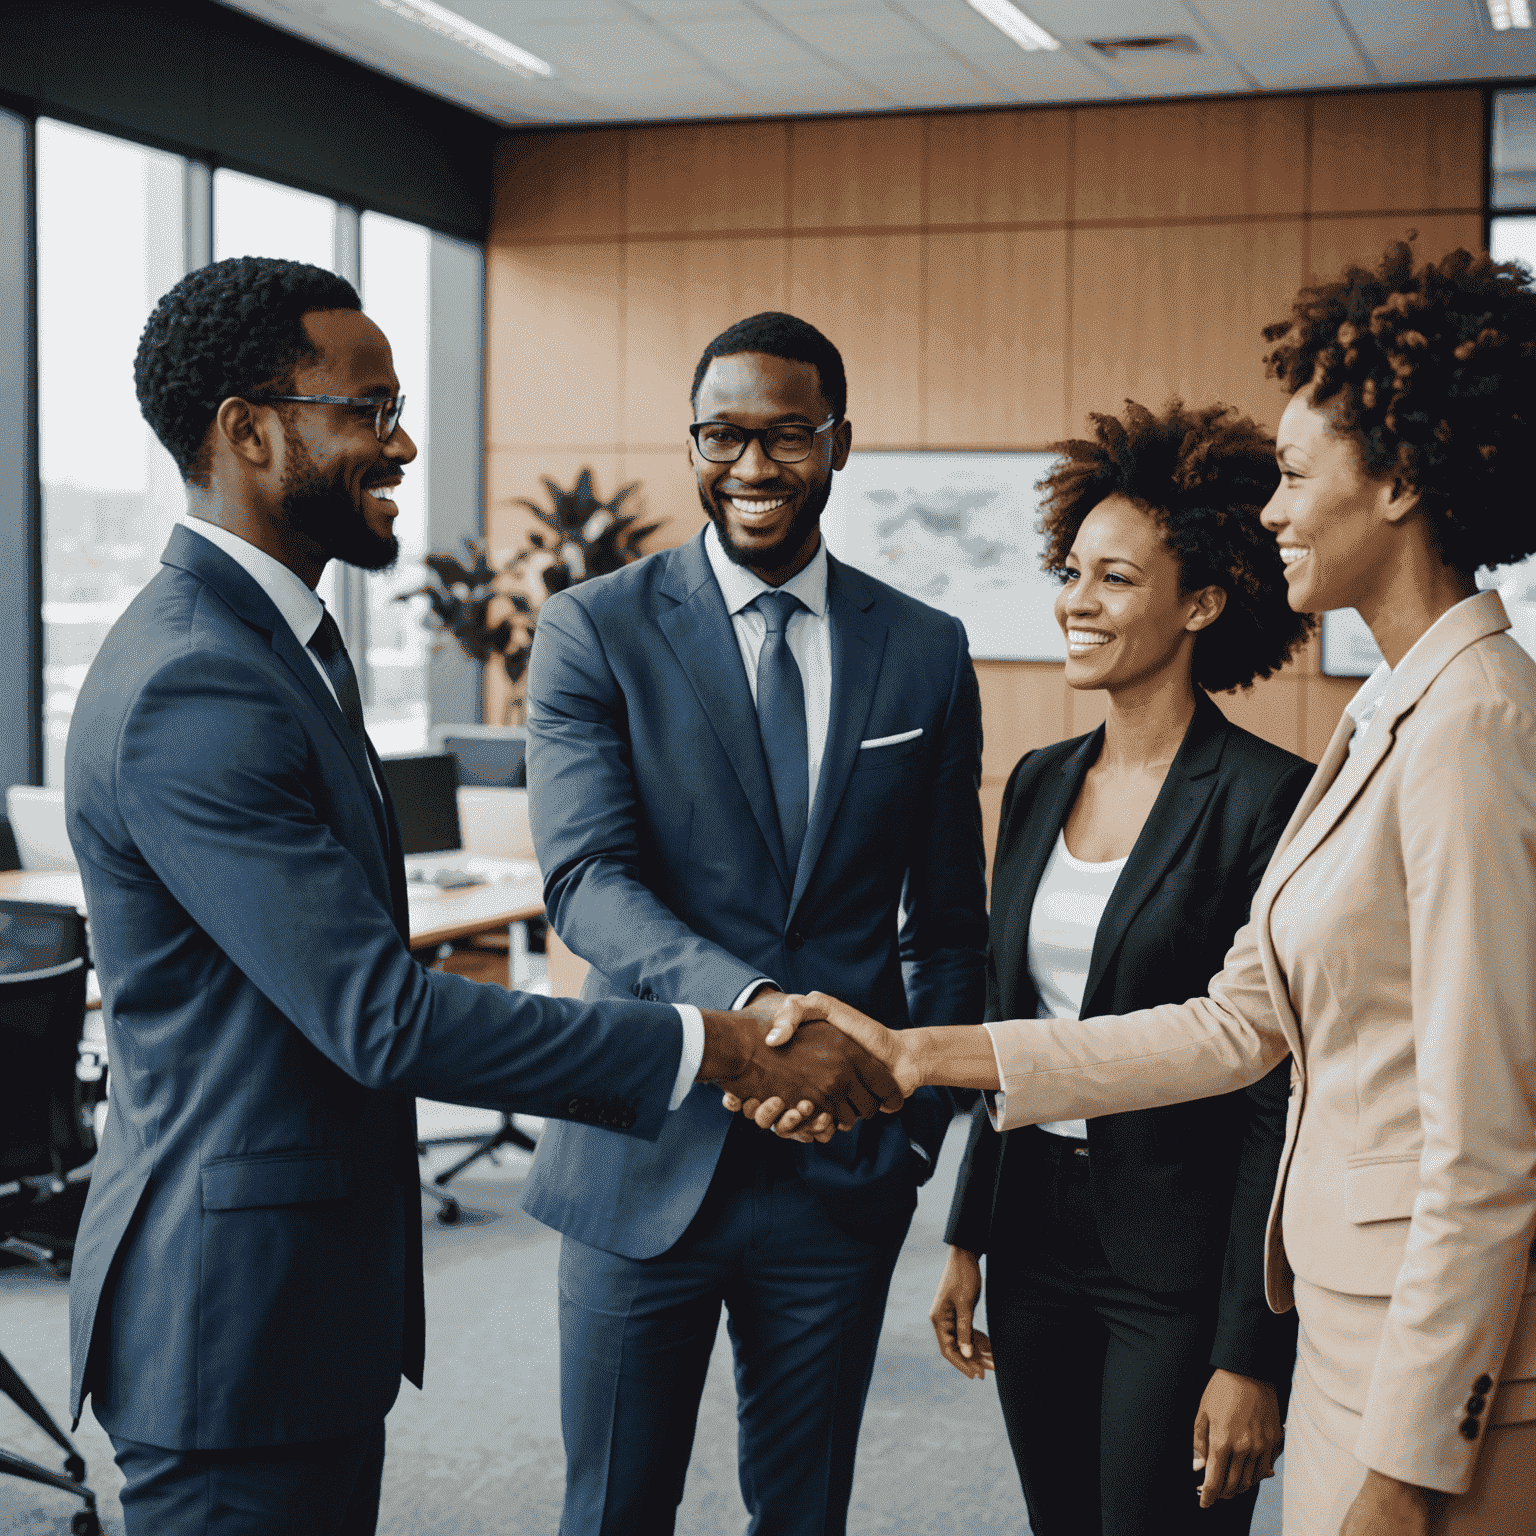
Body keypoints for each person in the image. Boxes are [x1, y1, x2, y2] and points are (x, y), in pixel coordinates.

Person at [64, 260, 898, 1536]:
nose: (401, 442)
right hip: (228, 1325)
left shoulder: (273, 648)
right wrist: (721, 1046)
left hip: (297, 1318)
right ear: (247, 428)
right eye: (368, 408)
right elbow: (384, 1019)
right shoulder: (198, 680)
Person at [747, 245, 1536, 1536]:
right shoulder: (1394, 712)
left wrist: (1405, 1462)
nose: (1275, 509)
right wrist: (918, 1056)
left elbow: (1487, 1145)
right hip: (1333, 1312)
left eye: (1293, 474)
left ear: (1397, 480)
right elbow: (1236, 1024)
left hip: (1401, 1362)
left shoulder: (1476, 727)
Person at [520, 311, 988, 1534]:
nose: (755, 466)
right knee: (614, 1507)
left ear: (841, 443)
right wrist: (758, 1010)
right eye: (724, 434)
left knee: (803, 1512)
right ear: (692, 442)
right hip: (642, 1148)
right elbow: (587, 881)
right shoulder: (594, 631)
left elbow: (948, 924)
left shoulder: (926, 653)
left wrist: (919, 1127)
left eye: (788, 435)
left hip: (838, 1170)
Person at [933, 399, 1313, 1534]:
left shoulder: (1267, 800)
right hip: (1035, 1228)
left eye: (1114, 580)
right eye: (1071, 571)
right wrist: (967, 1233)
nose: (1075, 603)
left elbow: (1269, 1088)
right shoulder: (1041, 780)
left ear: (1201, 602)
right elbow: (1016, 1022)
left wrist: (1254, 1350)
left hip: (1181, 1249)